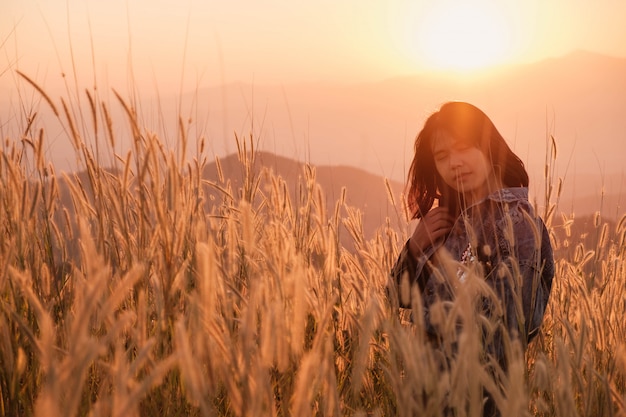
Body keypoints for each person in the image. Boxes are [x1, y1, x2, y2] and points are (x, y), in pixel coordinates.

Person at [390, 101, 554, 416]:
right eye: (441, 156)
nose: (454, 163)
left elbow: (510, 331)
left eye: (463, 148)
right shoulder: (448, 223)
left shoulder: (517, 228)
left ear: (488, 146)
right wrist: (414, 247)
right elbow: (395, 298)